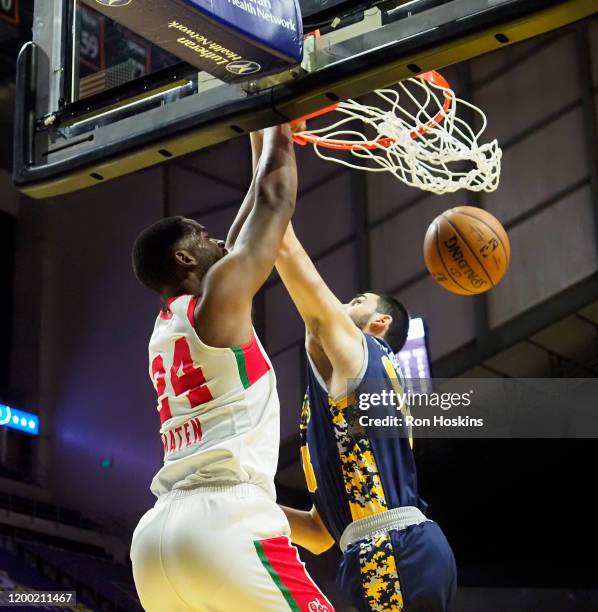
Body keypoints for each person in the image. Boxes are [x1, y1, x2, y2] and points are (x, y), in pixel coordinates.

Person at [129, 126, 334, 612]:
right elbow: (274, 200)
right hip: (224, 526)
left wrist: (260, 128)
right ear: (184, 258)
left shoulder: (169, 327)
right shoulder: (215, 304)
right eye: (202, 236)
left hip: (155, 543)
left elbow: (246, 223)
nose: (217, 238)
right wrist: (283, 117)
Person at [275, 222, 457, 612]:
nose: (341, 304)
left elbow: (285, 246)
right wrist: (242, 504)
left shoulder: (363, 354)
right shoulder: (342, 386)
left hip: (391, 546)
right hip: (385, 544)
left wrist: (266, 163)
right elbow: (321, 534)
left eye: (357, 300)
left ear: (380, 323)